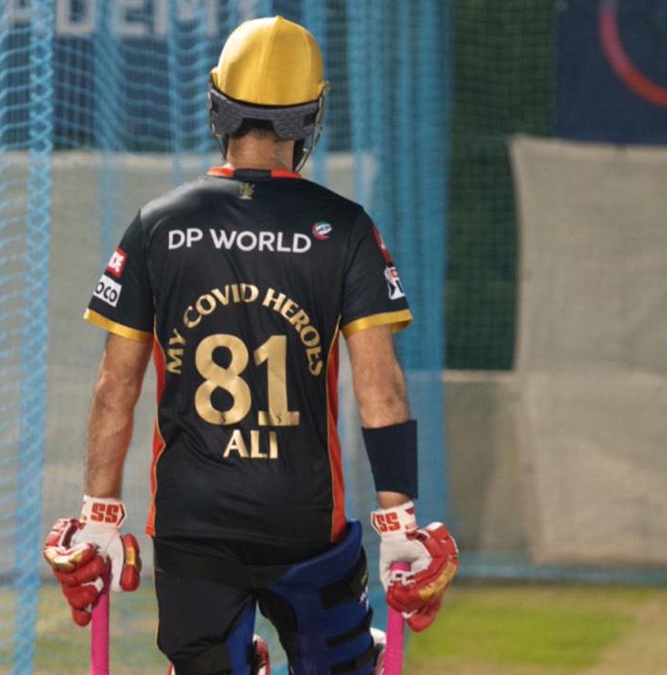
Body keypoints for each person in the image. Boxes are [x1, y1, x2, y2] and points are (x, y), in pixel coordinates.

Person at [43, 16, 458, 674]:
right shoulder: (344, 228)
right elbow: (381, 387)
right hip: (304, 524)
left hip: (191, 527)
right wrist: (398, 520)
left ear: (217, 107)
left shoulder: (157, 225)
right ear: (310, 117)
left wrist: (98, 512)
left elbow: (115, 386)